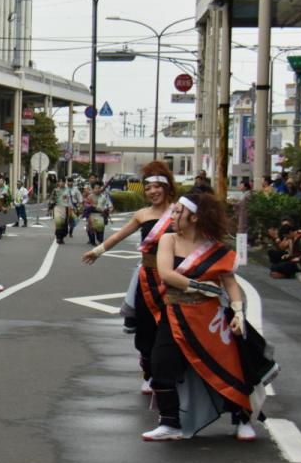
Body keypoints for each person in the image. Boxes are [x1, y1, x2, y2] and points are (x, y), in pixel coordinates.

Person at [144, 191, 275, 441]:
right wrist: (201, 286)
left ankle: (243, 419)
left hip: (210, 317)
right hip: (175, 313)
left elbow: (231, 283)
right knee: (161, 363)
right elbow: (166, 274)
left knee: (230, 368)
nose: (172, 216)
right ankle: (170, 422)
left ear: (193, 217)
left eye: (177, 212)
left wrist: (237, 311)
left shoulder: (215, 248)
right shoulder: (168, 240)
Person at [83, 161, 178, 394]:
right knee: (145, 328)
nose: (152, 192)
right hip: (147, 279)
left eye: (157, 186)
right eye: (148, 188)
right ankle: (148, 372)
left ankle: (168, 373)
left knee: (171, 327)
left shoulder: (178, 212)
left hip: (173, 280)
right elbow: (119, 236)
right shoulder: (142, 214)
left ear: (167, 188)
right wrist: (97, 252)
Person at [49, 177, 80, 244]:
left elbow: (70, 200)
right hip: (57, 207)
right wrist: (50, 209)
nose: (61, 183)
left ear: (64, 183)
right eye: (59, 182)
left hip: (66, 208)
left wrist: (73, 208)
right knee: (58, 223)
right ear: (58, 183)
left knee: (64, 225)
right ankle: (58, 238)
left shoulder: (68, 190)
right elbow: (51, 200)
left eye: (62, 182)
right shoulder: (55, 190)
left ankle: (62, 236)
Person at [85, 179, 113, 246]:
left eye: (99, 188)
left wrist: (108, 210)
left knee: (100, 232)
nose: (97, 190)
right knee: (90, 230)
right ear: (93, 189)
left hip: (100, 215)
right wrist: (90, 206)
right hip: (91, 215)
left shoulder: (103, 197)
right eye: (95, 188)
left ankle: (99, 240)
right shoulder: (90, 197)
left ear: (101, 188)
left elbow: (109, 206)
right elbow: (86, 205)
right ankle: (92, 241)